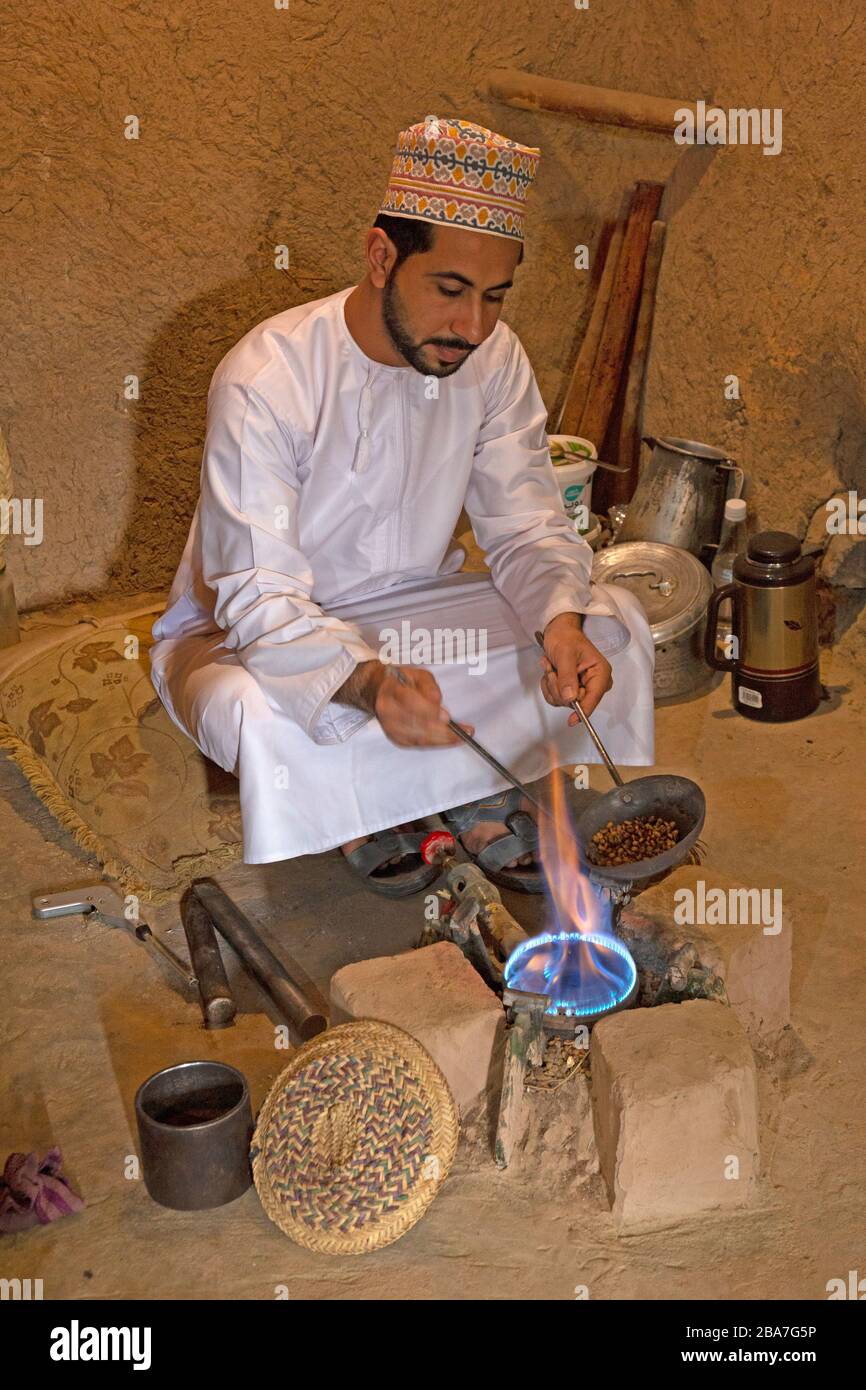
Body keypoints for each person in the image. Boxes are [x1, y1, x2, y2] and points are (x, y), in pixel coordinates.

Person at [149, 116, 655, 896]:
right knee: (252, 708)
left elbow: (526, 524)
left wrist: (560, 622)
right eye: (450, 290)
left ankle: (457, 787)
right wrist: (368, 683)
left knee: (609, 623)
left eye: (493, 296)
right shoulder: (268, 374)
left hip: (418, 606)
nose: (472, 326)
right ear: (382, 257)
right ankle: (387, 807)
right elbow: (256, 590)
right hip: (254, 632)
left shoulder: (494, 358)